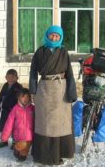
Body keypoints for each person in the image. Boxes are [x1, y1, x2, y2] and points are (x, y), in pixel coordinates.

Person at [29, 25, 77, 165]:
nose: (54, 38)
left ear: (60, 37)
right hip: (44, 89)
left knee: (60, 124)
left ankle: (61, 153)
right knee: (45, 123)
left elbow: (70, 73)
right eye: (52, 35)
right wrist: (33, 90)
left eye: (57, 36)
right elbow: (33, 72)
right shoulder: (40, 52)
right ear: (47, 35)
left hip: (61, 89)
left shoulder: (63, 52)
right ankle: (43, 155)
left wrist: (71, 92)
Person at [0, 88, 34, 162]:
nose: (25, 99)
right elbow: (9, 124)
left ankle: (23, 155)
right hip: (19, 136)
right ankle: (16, 149)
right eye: (23, 97)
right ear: (18, 97)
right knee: (20, 147)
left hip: (30, 136)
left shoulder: (32, 108)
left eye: (27, 97)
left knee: (25, 151)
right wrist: (4, 137)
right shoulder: (15, 109)